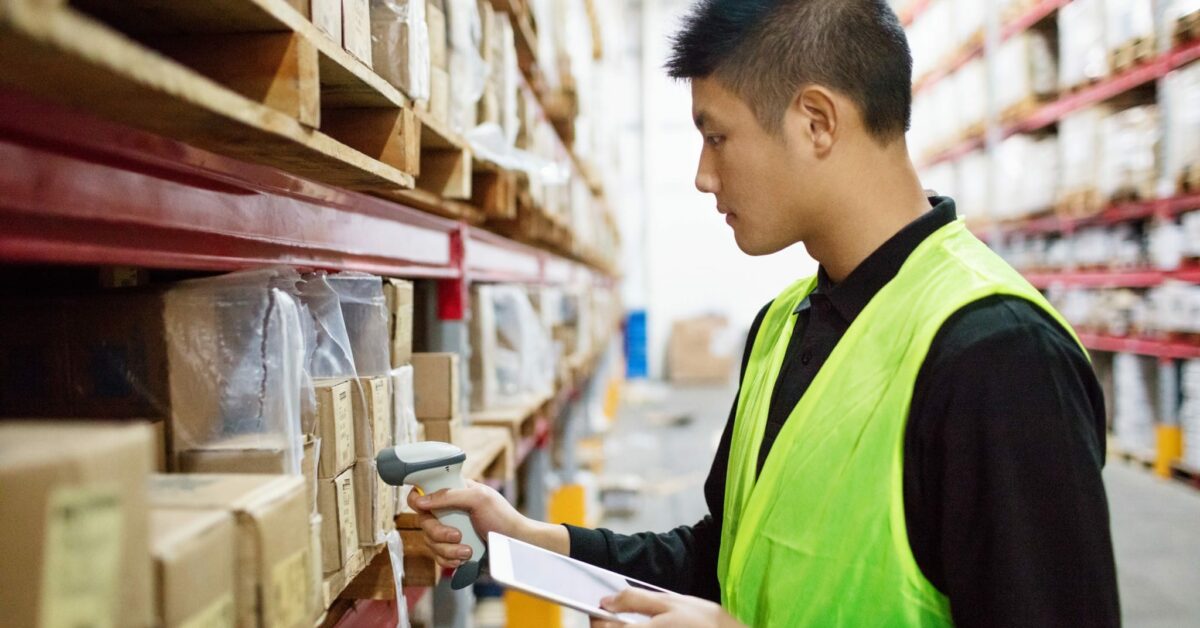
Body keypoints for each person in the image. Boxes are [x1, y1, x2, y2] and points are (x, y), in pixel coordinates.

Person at [408, 0, 1121, 625]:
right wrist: (533, 541)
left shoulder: (997, 357)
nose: (701, 174)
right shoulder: (786, 324)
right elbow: (725, 560)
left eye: (716, 135)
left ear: (816, 121)